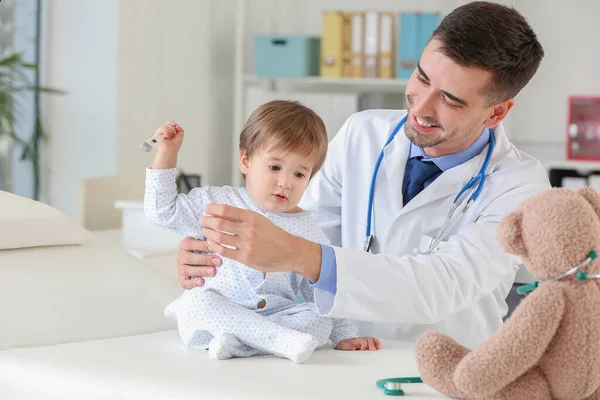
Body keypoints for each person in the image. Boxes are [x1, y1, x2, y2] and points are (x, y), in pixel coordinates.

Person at [175, 2, 551, 349]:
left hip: (444, 370)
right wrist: (219, 259)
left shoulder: (520, 186)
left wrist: (295, 253)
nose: (421, 107)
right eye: (421, 78)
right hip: (343, 353)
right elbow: (298, 226)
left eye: (450, 100)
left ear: (496, 113)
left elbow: (446, 284)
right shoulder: (362, 133)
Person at [144, 100, 380, 364]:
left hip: (275, 316)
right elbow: (161, 212)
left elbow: (323, 289)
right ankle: (277, 341)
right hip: (219, 309)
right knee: (195, 304)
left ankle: (240, 343)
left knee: (317, 320)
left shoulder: (308, 230)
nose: (285, 183)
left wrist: (343, 335)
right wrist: (166, 155)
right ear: (246, 161)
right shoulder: (214, 203)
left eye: (300, 174)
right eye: (275, 167)